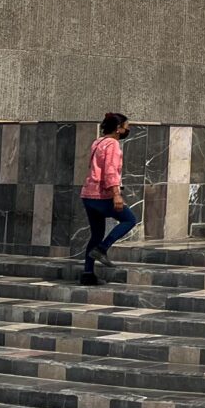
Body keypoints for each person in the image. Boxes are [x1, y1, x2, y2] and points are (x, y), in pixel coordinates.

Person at [80, 111, 138, 285]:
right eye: (126, 127)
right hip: (101, 195)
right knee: (129, 220)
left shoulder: (98, 142)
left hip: (88, 195)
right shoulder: (112, 144)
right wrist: (116, 195)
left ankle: (88, 274)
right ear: (118, 129)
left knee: (96, 235)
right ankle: (103, 249)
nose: (128, 130)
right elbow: (110, 170)